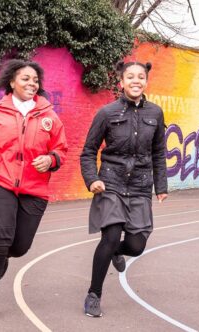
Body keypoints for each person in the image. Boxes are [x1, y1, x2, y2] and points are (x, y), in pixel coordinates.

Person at [0, 59, 68, 322]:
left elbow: (61, 150)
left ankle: (1, 257)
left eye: (35, 80)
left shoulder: (49, 117)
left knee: (19, 246)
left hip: (34, 187)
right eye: (25, 79)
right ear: (11, 82)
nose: (32, 84)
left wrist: (51, 160)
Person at [80, 61, 168, 317]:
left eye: (141, 77)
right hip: (111, 183)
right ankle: (94, 294)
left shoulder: (155, 113)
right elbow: (87, 151)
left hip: (140, 186)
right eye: (130, 77)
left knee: (137, 245)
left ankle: (117, 253)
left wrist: (160, 186)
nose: (136, 80)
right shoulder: (106, 113)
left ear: (146, 82)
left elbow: (159, 152)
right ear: (121, 82)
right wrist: (92, 179)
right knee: (109, 237)